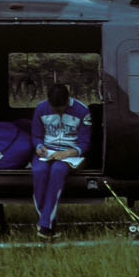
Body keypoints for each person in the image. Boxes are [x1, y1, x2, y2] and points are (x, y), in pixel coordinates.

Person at [30, 83, 91, 239]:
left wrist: (67, 153)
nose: (57, 111)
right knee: (39, 171)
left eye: (61, 109)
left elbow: (85, 143)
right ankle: (48, 221)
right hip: (47, 151)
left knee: (58, 170)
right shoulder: (41, 108)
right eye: (54, 108)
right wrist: (38, 146)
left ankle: (45, 225)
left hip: (70, 154)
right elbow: (36, 135)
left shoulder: (82, 111)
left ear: (68, 100)